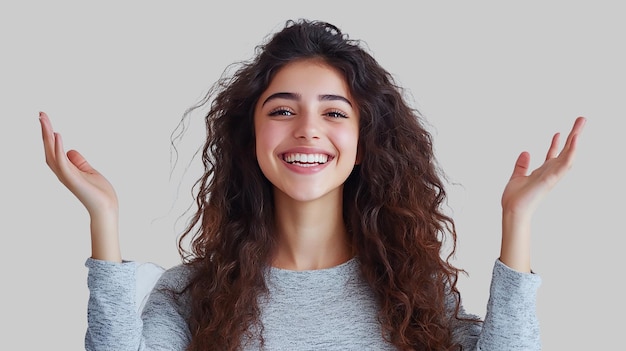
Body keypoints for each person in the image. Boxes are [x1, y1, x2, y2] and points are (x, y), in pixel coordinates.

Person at [39, 19, 585, 351]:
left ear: (365, 140)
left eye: (334, 112)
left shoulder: (413, 295)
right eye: (282, 109)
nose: (307, 130)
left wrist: (518, 221)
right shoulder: (192, 296)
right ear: (249, 134)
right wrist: (104, 222)